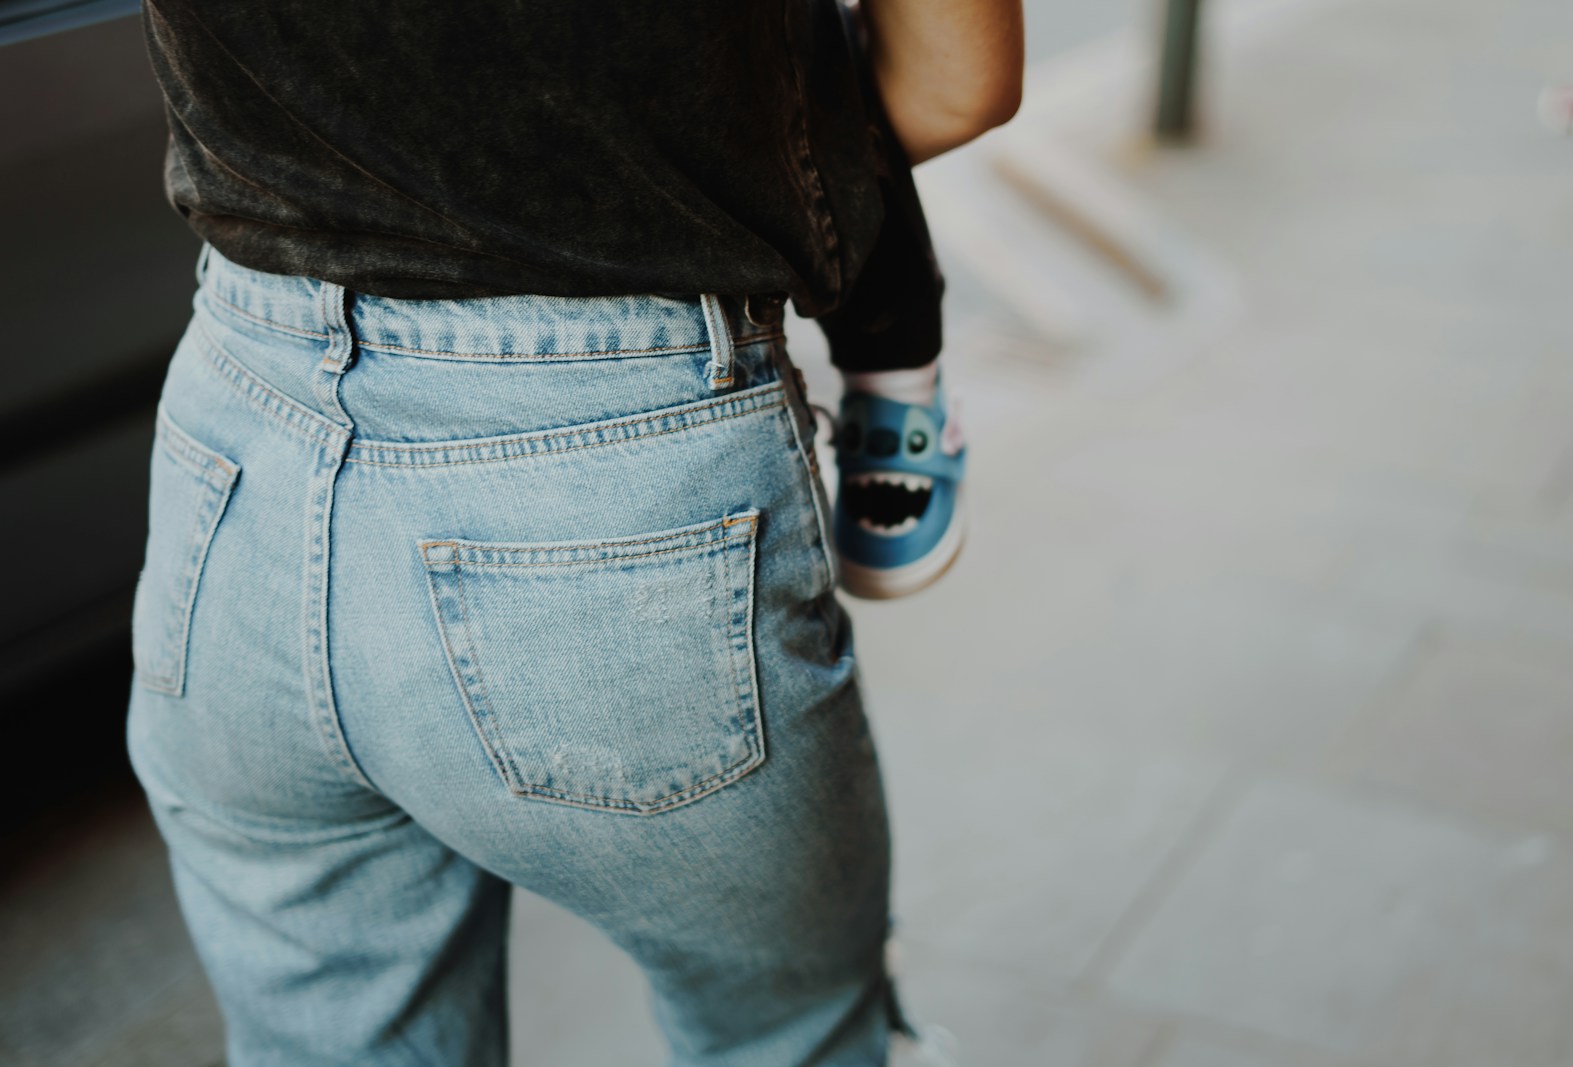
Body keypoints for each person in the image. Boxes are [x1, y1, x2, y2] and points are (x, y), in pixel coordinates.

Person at [126, 0, 1023, 1063]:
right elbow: (956, 83)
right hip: (612, 451)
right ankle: (900, 376)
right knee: (788, 1031)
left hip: (236, 440)